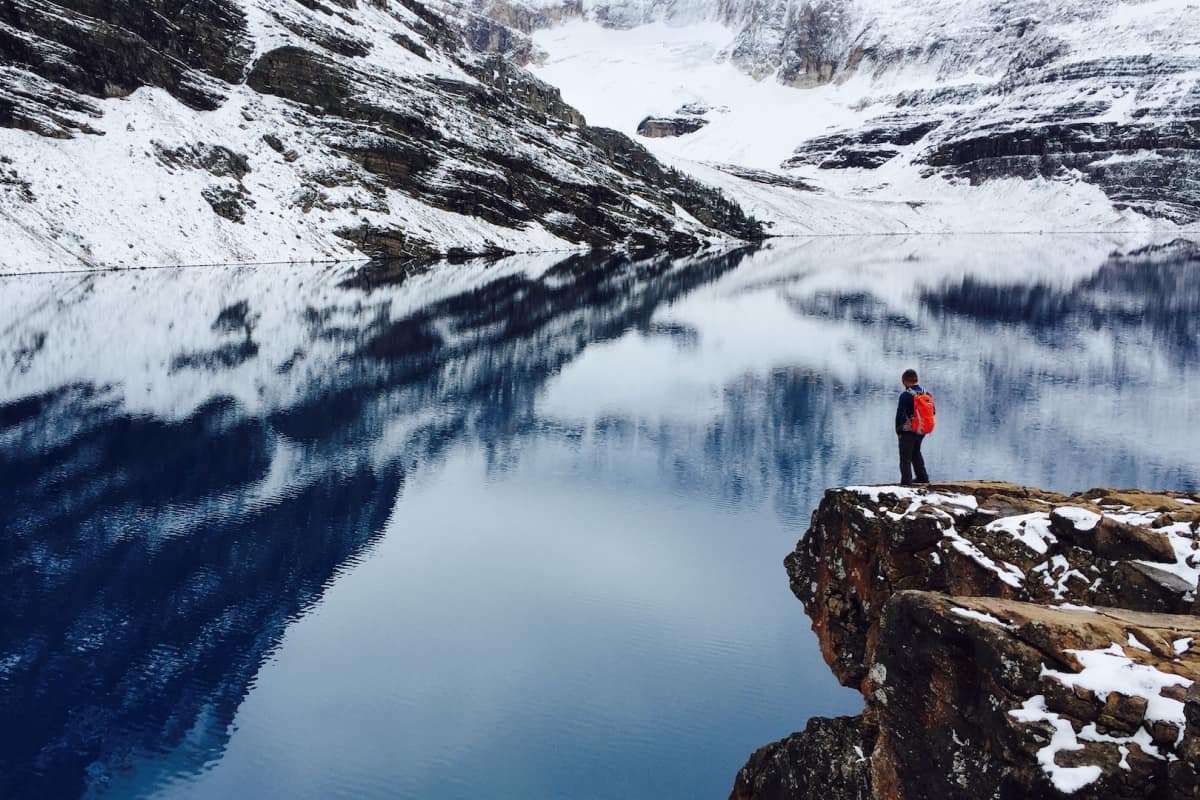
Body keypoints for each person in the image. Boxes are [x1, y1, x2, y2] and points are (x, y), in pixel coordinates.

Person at [895, 368, 931, 485]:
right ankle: (922, 478)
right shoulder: (926, 393)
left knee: (905, 457)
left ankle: (906, 483)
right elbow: (933, 412)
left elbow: (900, 414)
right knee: (916, 452)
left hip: (908, 430)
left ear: (905, 381)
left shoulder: (905, 395)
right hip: (922, 430)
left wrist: (899, 431)